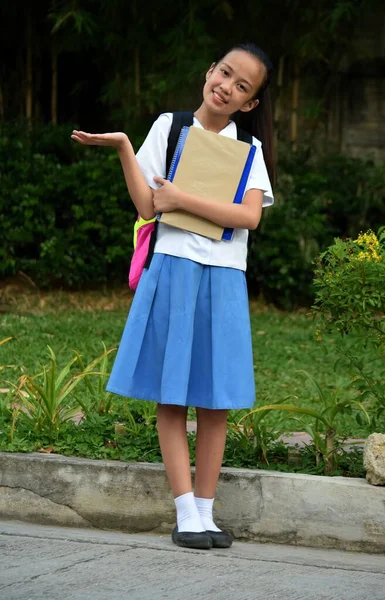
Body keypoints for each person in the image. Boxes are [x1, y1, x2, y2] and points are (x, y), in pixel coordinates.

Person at [71, 42, 275, 551]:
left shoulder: (249, 149)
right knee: (174, 393)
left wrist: (181, 197)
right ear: (210, 71)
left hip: (225, 275)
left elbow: (249, 217)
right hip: (175, 269)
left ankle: (207, 513)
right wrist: (123, 145)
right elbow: (147, 203)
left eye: (242, 86)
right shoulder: (170, 126)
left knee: (216, 399)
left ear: (249, 103)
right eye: (224, 73)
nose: (227, 86)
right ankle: (185, 511)